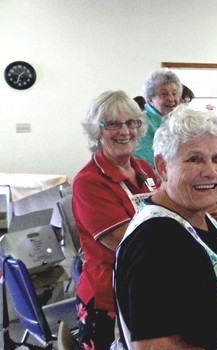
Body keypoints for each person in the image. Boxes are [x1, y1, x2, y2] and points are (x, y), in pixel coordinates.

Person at [114, 105, 217, 349]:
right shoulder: (156, 242)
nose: (211, 172)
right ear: (162, 167)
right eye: (194, 159)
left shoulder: (195, 214)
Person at [72, 90, 159, 350]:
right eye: (113, 124)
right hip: (109, 297)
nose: (125, 131)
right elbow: (127, 243)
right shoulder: (89, 182)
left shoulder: (144, 168)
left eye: (131, 122)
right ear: (96, 131)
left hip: (148, 287)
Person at [133, 69, 183, 169]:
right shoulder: (141, 123)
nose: (171, 98)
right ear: (150, 99)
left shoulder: (180, 121)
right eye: (164, 94)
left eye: (174, 93)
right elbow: (145, 166)